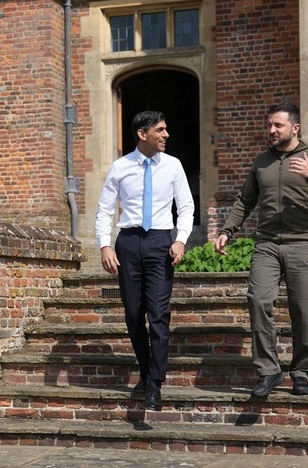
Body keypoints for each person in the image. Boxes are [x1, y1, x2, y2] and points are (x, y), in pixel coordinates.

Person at [215, 101, 308, 397]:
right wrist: (226, 230)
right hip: (267, 245)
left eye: (278, 125)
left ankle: (300, 371)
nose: (271, 130)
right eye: (269, 125)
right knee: (258, 301)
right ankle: (269, 371)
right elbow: (245, 200)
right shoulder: (261, 162)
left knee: (303, 311)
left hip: (303, 244)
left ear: (294, 128)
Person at [95, 110, 195, 411]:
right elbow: (104, 210)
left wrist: (180, 239)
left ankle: (155, 382)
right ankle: (144, 369)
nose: (166, 135)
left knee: (159, 313)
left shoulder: (173, 166)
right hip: (128, 244)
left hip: (160, 242)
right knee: (134, 313)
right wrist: (104, 246)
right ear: (142, 134)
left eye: (166, 130)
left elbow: (186, 207)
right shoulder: (120, 168)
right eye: (160, 130)